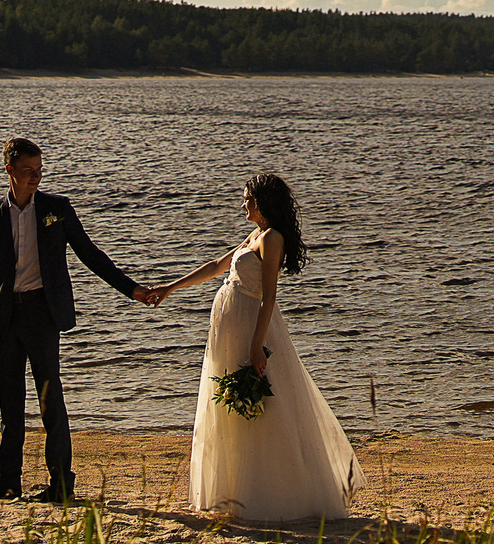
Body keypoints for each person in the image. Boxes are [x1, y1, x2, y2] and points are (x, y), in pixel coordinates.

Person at [150, 172, 363, 524]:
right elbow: (217, 266)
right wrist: (171, 287)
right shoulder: (254, 235)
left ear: (263, 203)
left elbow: (269, 296)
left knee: (264, 406)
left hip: (252, 326)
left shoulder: (273, 238)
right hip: (230, 327)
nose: (243, 203)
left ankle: (272, 495)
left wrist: (257, 345)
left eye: (248, 198)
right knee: (232, 404)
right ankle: (235, 492)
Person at [0, 137, 153, 502]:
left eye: (39, 171)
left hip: (43, 314)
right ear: (10, 170)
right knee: (9, 404)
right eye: (28, 171)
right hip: (6, 317)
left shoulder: (58, 208)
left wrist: (131, 289)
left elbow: (91, 254)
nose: (35, 178)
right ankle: (8, 479)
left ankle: (60, 484)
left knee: (49, 401)